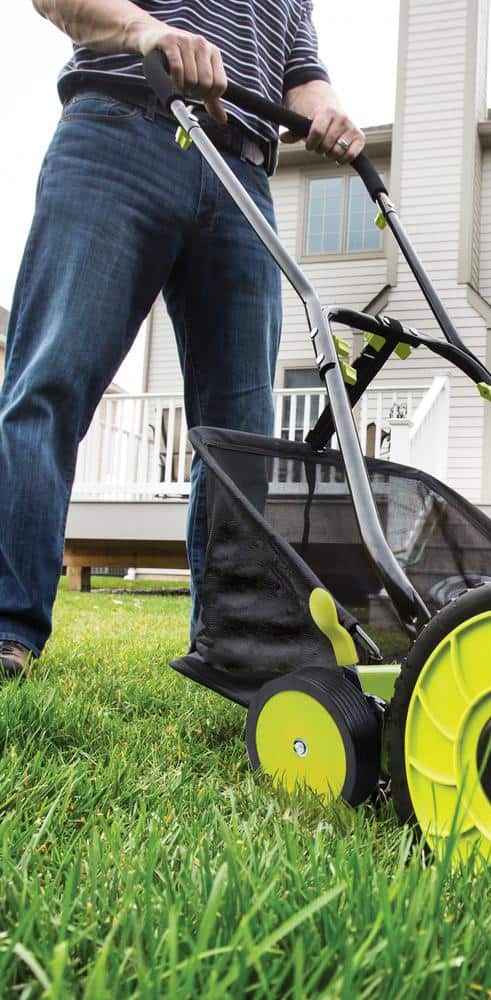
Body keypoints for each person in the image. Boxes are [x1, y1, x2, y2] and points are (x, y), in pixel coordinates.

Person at [0, 0, 364, 678]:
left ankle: (235, 645)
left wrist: (330, 109)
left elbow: (301, 75)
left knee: (241, 437)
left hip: (242, 173)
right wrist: (150, 31)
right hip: (122, 126)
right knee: (51, 381)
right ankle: (7, 626)